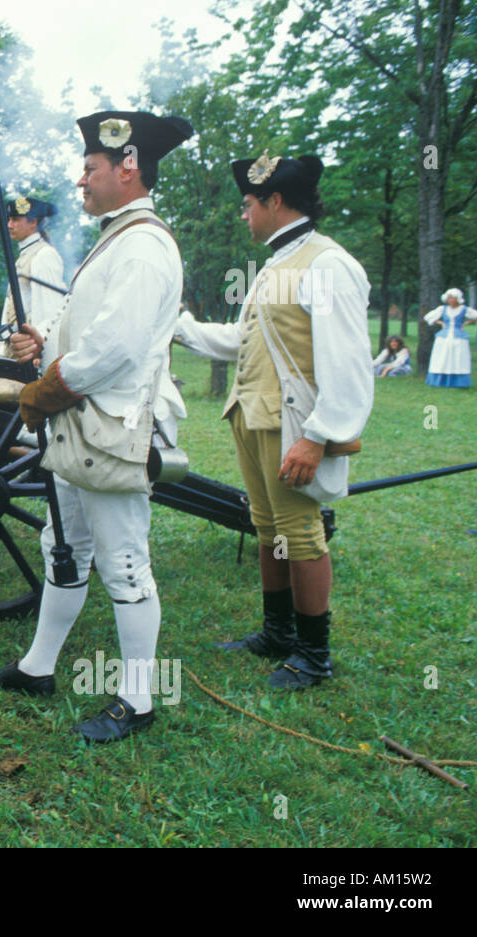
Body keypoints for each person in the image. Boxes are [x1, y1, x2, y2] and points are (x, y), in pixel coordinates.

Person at [0, 110, 193, 742]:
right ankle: (38, 666)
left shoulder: (145, 244)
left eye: (91, 168)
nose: (81, 179)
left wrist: (45, 389)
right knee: (62, 547)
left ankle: (138, 700)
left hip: (112, 425)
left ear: (129, 168)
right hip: (79, 421)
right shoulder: (116, 238)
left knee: (124, 562)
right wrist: (43, 342)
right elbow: (90, 330)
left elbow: (117, 348)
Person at [175, 151, 373, 690]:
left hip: (293, 429)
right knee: (269, 532)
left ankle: (313, 655)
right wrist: (182, 327)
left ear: (275, 202)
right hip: (252, 416)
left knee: (302, 536)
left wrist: (317, 439)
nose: (243, 214)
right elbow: (244, 341)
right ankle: (277, 633)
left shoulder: (327, 264)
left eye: (248, 204)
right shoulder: (279, 263)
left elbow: (350, 364)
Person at [0, 195, 65, 359]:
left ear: (33, 222)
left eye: (16, 219)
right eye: (9, 219)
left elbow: (51, 313)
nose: (9, 225)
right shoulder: (25, 255)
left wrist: (39, 351)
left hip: (31, 353)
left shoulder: (44, 255)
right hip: (17, 349)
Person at [423, 288, 477, 388]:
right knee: (442, 356)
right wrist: (440, 322)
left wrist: (467, 322)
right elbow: (428, 317)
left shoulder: (464, 309)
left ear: (458, 299)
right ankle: (440, 380)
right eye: (449, 298)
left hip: (458, 337)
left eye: (453, 298)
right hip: (444, 337)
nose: (451, 300)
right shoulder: (443, 309)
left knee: (457, 357)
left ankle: (458, 382)